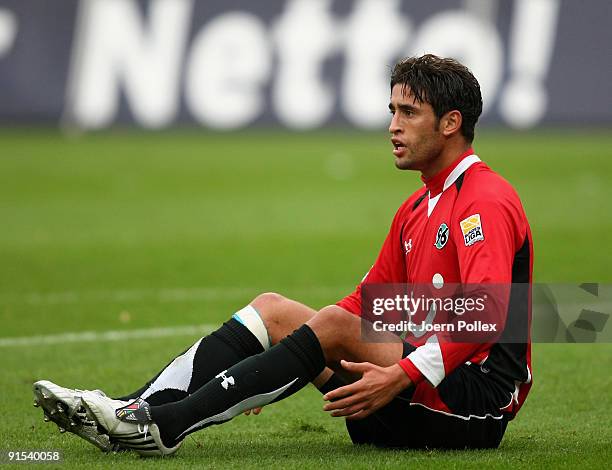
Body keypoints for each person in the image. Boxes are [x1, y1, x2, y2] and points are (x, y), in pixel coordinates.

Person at [33, 54, 533, 455]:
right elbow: (366, 304)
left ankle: (164, 428)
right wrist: (272, 366)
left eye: (408, 113)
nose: (393, 127)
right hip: (406, 390)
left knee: (331, 325)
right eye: (392, 111)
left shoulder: (483, 201)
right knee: (275, 311)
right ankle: (127, 410)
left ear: (450, 123)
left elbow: (485, 314)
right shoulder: (416, 206)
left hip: (474, 404)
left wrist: (398, 374)